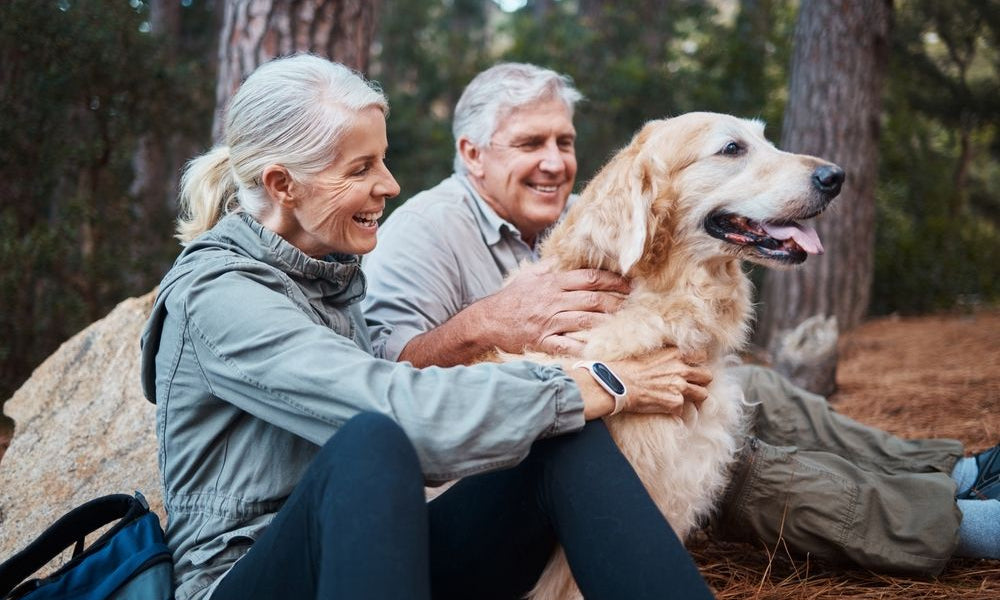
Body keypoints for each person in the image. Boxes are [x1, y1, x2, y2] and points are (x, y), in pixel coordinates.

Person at [362, 61, 1000, 576]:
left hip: (580, 398)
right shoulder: (424, 229)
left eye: (565, 141)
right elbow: (385, 374)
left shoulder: (594, 212)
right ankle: (959, 525)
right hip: (502, 463)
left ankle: (957, 470)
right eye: (531, 143)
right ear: (472, 154)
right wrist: (486, 324)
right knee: (738, 456)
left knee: (761, 390)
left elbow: (668, 257)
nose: (555, 161)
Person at [139, 54, 717, 600]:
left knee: (560, 437)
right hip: (249, 573)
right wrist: (596, 385)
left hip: (375, 548)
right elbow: (394, 412)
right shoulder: (216, 294)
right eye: (361, 168)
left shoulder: (329, 273)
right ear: (282, 185)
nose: (390, 185)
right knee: (370, 439)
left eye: (382, 160)